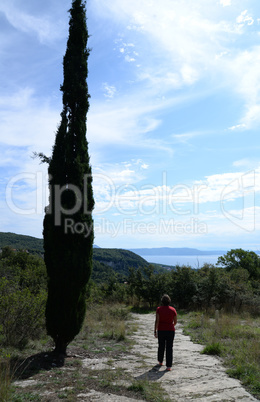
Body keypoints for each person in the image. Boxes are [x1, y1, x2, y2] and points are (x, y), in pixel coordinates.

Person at [154, 294, 177, 371]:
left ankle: (160, 361)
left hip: (161, 330)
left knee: (161, 346)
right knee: (169, 347)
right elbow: (175, 321)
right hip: (170, 330)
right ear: (169, 301)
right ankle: (169, 366)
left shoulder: (159, 309)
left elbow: (157, 321)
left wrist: (155, 331)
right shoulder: (173, 310)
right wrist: (171, 325)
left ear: (162, 301)